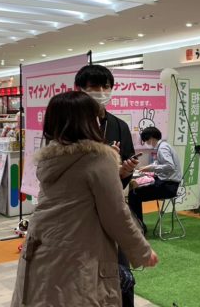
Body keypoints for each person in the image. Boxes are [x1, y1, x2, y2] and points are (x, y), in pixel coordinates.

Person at [10, 91, 157, 307]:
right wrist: (143, 251)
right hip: (79, 253)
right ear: (88, 121)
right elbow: (116, 214)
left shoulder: (51, 158)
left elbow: (76, 193)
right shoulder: (99, 158)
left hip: (41, 246)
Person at [75, 64, 139, 307]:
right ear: (79, 89)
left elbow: (121, 174)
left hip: (112, 213)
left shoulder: (118, 126)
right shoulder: (68, 127)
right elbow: (59, 174)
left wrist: (123, 172)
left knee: (122, 279)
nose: (101, 91)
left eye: (106, 86)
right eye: (94, 86)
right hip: (79, 216)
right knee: (83, 282)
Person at [129, 127, 183, 227]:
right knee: (136, 191)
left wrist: (151, 168)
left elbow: (170, 166)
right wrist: (148, 167)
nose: (146, 142)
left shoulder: (162, 148)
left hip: (168, 186)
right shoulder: (163, 146)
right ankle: (139, 225)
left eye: (146, 140)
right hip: (168, 183)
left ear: (151, 138)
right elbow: (160, 164)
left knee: (134, 194)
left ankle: (139, 226)